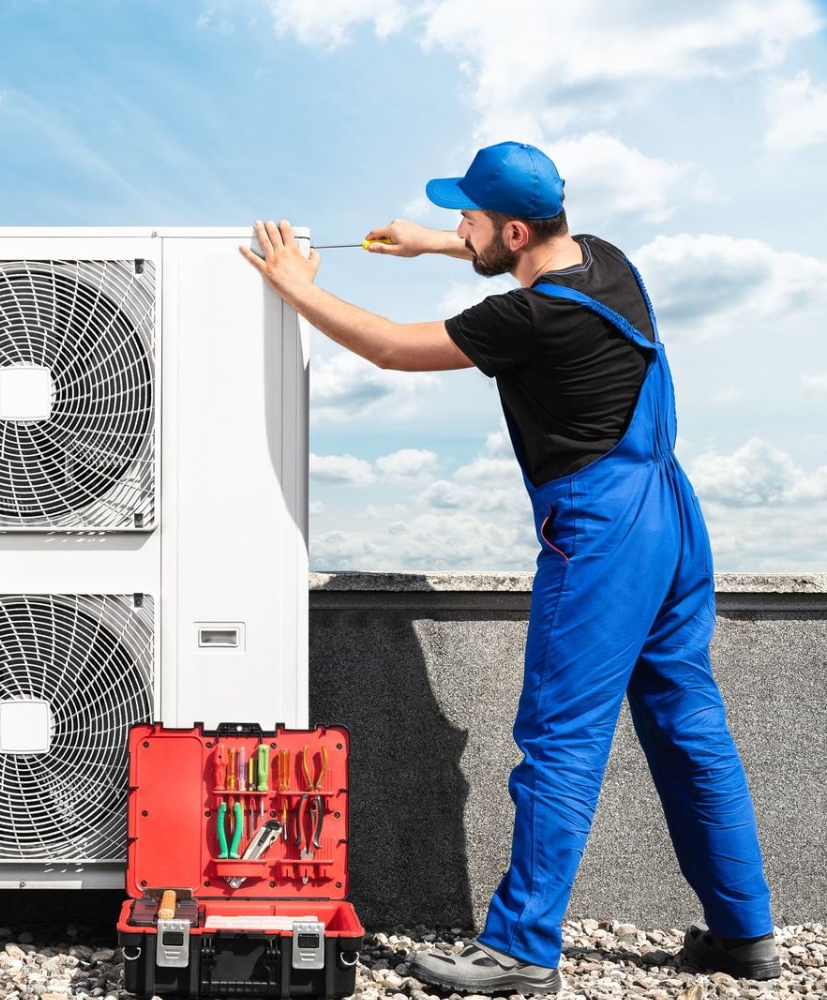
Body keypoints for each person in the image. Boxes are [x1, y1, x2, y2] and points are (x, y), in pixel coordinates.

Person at [238, 141, 780, 996]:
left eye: (471, 218)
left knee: (560, 740)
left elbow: (390, 348)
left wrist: (296, 286)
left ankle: (522, 949)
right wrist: (430, 243)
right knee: (690, 729)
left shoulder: (528, 320)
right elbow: (508, 257)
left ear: (517, 229)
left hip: (601, 531)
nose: (463, 226)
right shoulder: (607, 261)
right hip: (674, 518)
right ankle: (746, 934)